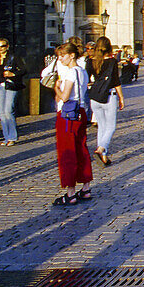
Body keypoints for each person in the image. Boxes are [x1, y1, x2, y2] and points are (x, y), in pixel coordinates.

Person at [52, 42, 92, 206]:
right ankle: (86, 187)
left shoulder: (69, 73)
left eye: (63, 55)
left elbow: (65, 96)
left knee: (67, 151)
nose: (60, 58)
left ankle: (70, 193)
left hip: (68, 115)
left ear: (72, 55)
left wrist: (56, 88)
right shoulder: (82, 71)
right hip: (81, 112)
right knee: (81, 148)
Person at [86, 37, 123, 167]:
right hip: (109, 96)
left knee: (101, 126)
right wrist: (121, 98)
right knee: (111, 127)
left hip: (95, 97)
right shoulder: (112, 61)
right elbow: (116, 81)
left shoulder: (90, 62)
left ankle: (104, 156)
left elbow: (87, 79)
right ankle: (101, 149)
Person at [0, 38, 26, 146]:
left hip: (11, 86)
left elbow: (24, 69)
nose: (0, 49)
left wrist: (13, 74)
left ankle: (12, 137)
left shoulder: (13, 57)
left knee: (8, 111)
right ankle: (6, 137)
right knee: (1, 113)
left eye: (2, 46)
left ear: (7, 46)